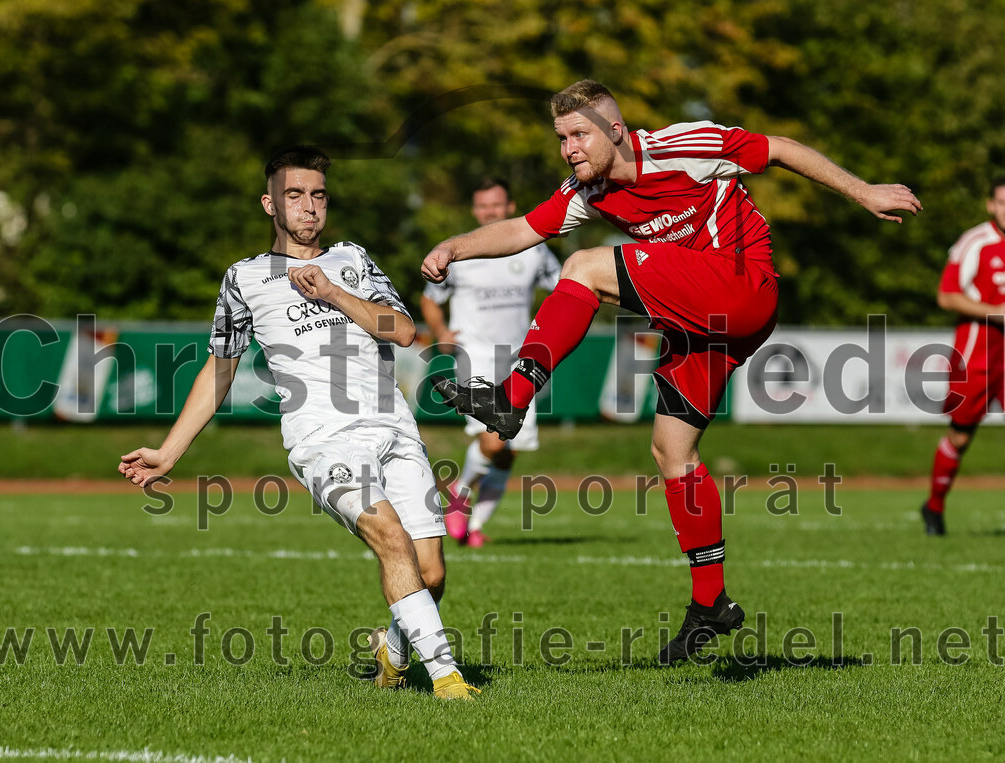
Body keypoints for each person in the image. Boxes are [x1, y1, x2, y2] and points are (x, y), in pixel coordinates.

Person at [421, 80, 921, 664]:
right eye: (561, 138)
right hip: (704, 324)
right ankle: (711, 602)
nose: (568, 149)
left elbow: (779, 148)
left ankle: (512, 395)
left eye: (579, 134)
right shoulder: (590, 190)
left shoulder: (682, 145)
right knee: (671, 451)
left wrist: (863, 191)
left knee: (584, 266)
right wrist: (454, 246)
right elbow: (523, 228)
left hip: (741, 287)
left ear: (615, 130)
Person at [119, 145, 479, 700]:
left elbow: (405, 331)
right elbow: (220, 369)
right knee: (390, 538)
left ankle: (392, 649)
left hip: (395, 429)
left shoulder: (353, 260)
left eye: (318, 195)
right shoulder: (244, 278)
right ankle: (447, 678)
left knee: (430, 574)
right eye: (294, 195)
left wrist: (333, 292)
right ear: (270, 204)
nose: (309, 206)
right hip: (323, 439)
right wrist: (168, 453)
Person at [421, 177, 561, 547]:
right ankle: (459, 496)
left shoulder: (533, 250)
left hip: (522, 359)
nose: (489, 212)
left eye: (496, 205)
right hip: (476, 356)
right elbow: (430, 298)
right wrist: (441, 330)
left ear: (510, 207)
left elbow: (565, 288)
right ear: (474, 210)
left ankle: (474, 527)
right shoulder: (459, 253)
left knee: (508, 451)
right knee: (495, 440)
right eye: (483, 206)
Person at [921, 176, 1005, 536]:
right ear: (990, 205)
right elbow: (946, 296)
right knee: (961, 436)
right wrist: (995, 312)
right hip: (977, 351)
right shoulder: (976, 242)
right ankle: (934, 506)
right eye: (1002, 202)